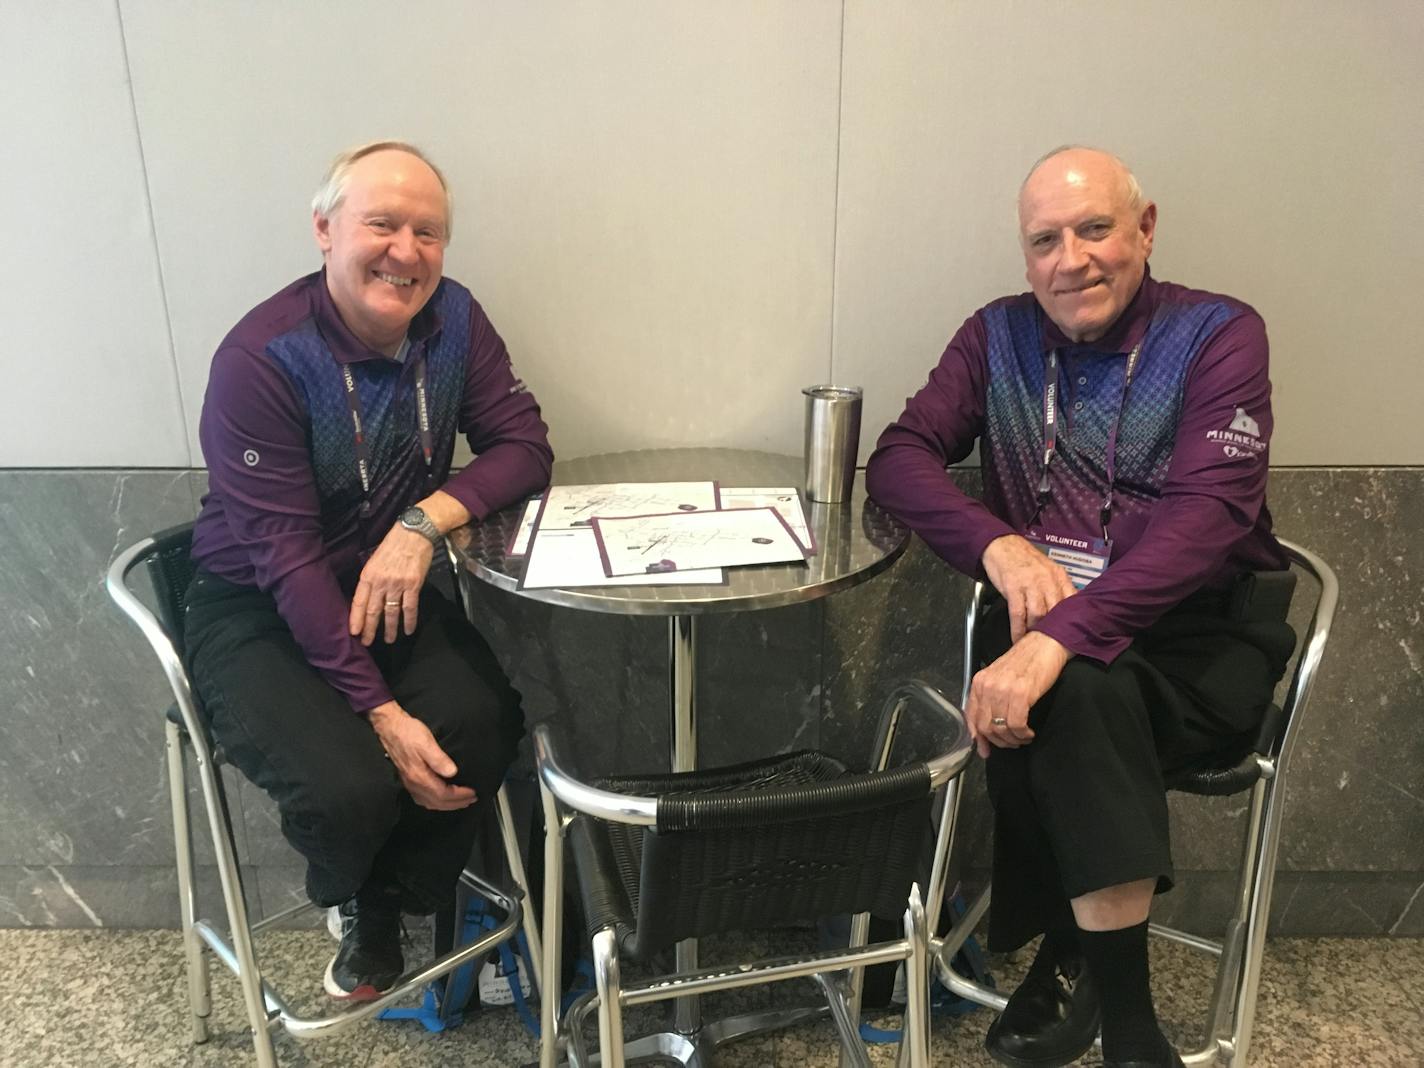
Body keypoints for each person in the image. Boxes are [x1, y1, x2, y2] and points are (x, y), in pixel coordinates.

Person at [865, 146, 1296, 1068]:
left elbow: (1207, 519)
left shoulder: (1221, 334)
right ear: (1026, 260)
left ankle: (1091, 979)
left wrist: (1060, 636)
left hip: (1199, 641)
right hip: (1059, 635)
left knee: (1064, 687)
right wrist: (1000, 544)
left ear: (1144, 228)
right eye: (1046, 240)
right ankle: (1109, 992)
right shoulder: (997, 337)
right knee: (1057, 682)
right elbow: (899, 457)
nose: (1074, 259)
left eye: (1095, 228)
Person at [184, 141, 553, 1001]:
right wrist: (381, 712)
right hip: (255, 605)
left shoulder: (455, 320)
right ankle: (360, 899)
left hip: (385, 586)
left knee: (483, 725)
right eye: (382, 224)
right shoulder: (261, 360)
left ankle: (383, 896)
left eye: (429, 232)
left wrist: (421, 525)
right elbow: (287, 561)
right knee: (347, 786)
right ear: (323, 230)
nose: (406, 250)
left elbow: (526, 448)